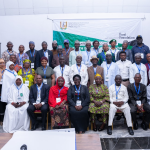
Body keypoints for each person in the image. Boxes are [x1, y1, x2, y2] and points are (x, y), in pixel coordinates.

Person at [0, 59, 5, 125]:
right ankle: (1, 120)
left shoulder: (6, 70)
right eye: (0, 63)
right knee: (0, 104)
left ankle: (4, 119)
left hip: (5, 87)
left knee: (4, 103)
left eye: (3, 63)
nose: (2, 64)